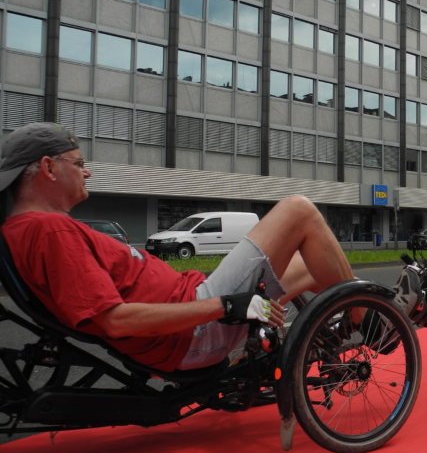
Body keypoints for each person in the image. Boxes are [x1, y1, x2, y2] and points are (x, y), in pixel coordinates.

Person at [0, 122, 359, 372]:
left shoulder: (31, 229)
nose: (87, 172)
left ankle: (355, 323)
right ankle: (367, 323)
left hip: (192, 310)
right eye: (79, 163)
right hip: (196, 330)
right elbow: (114, 321)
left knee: (310, 265)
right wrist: (224, 305)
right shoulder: (48, 230)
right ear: (48, 167)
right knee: (299, 210)